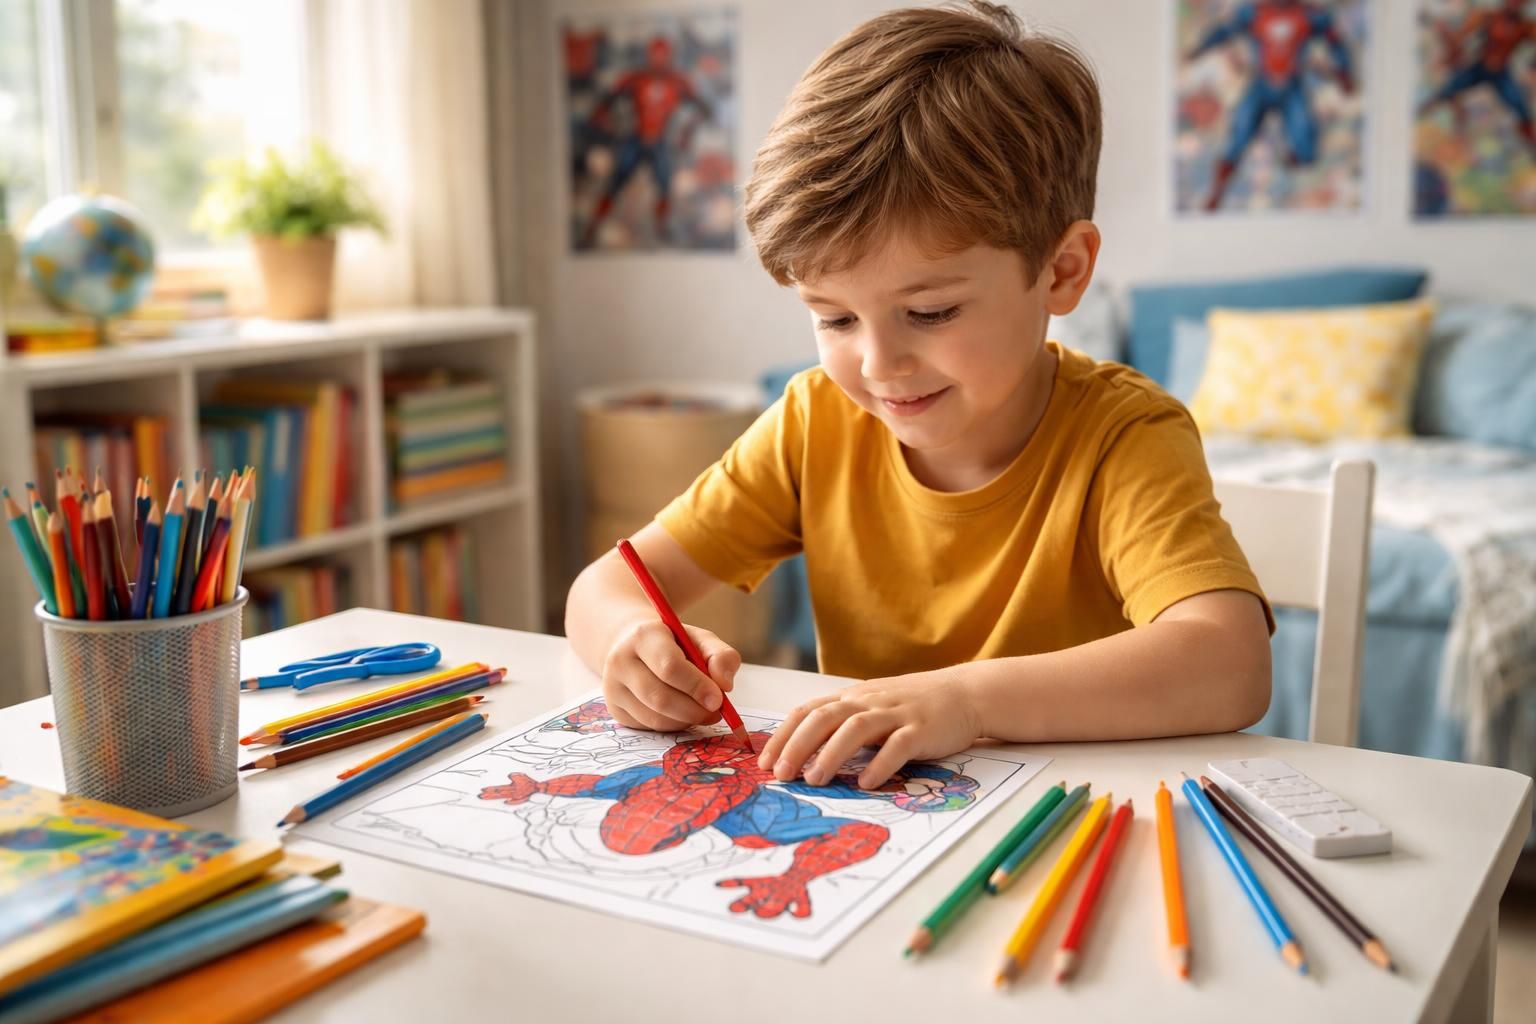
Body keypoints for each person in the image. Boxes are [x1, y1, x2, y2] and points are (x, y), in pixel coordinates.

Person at [565, 1, 1274, 791]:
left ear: (1062, 271)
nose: (879, 364)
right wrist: (630, 642)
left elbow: (1230, 662)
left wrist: (966, 701)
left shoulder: (1123, 434)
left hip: (1074, 818)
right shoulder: (815, 421)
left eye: (930, 312)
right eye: (834, 318)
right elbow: (608, 585)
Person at [1186, 0, 1356, 211]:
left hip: (1291, 85)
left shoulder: (1311, 15)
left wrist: (1345, 72)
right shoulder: (1253, 12)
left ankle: (1286, 166)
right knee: (1238, 136)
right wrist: (1200, 49)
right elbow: (1224, 32)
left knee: (1306, 149)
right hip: (1262, 84)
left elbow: (1335, 41)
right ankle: (1217, 192)